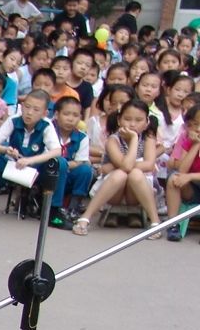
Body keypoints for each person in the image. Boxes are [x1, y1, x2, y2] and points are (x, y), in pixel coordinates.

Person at [0, 89, 69, 227]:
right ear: (22, 106)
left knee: (60, 163)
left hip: (35, 170)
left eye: (36, 110)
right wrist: (5, 149)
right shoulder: (13, 120)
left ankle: (53, 213)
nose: (29, 112)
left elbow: (57, 151)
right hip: (13, 167)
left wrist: (30, 160)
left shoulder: (46, 125)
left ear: (44, 113)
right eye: (27, 107)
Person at [71, 99, 161, 234]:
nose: (132, 124)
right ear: (119, 120)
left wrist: (118, 165)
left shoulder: (148, 138)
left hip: (137, 191)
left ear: (147, 122)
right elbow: (125, 167)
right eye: (127, 119)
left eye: (138, 120)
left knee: (134, 174)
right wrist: (133, 141)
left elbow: (148, 164)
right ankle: (85, 218)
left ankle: (155, 223)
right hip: (114, 191)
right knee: (121, 174)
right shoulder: (113, 139)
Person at [52, 95, 95, 217]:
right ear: (56, 114)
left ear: (80, 118)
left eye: (75, 116)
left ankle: (73, 207)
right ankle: (54, 208)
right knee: (58, 164)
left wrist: (63, 165)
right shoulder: (49, 131)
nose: (70, 119)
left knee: (86, 169)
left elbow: (78, 162)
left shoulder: (82, 137)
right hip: (49, 174)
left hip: (68, 173)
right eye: (66, 114)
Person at [164, 104, 200, 240]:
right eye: (194, 124)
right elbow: (182, 170)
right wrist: (196, 145)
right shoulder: (188, 139)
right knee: (174, 178)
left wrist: (190, 176)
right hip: (193, 189)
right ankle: (173, 224)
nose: (198, 129)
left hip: (194, 179)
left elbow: (187, 174)